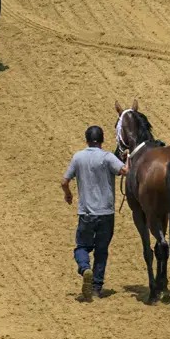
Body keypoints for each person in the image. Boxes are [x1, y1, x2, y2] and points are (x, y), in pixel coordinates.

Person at [61, 126, 128, 300]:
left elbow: (64, 181)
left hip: (86, 213)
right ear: (102, 140)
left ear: (87, 139)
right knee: (101, 250)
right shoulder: (107, 157)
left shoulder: (78, 157)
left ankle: (85, 268)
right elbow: (124, 171)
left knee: (82, 246)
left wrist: (68, 194)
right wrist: (128, 159)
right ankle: (97, 288)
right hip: (106, 213)